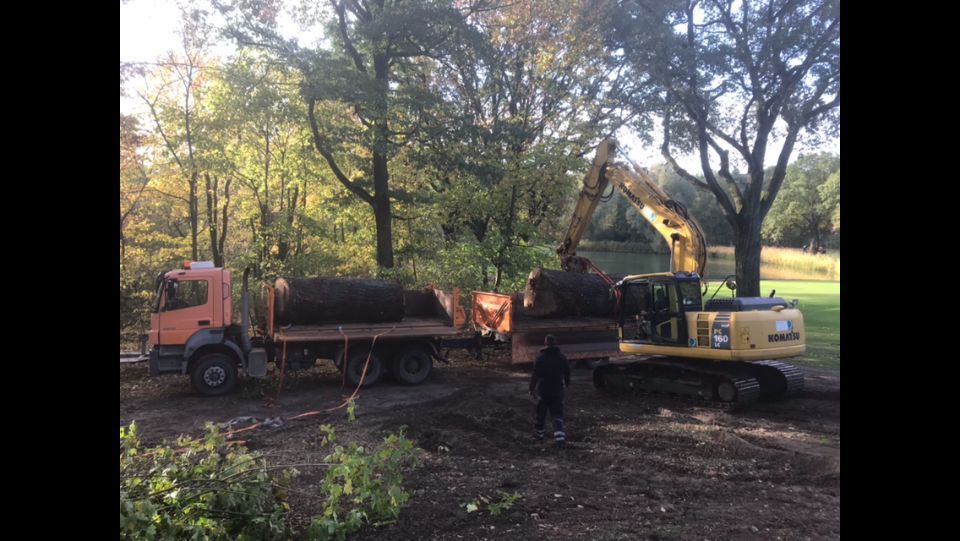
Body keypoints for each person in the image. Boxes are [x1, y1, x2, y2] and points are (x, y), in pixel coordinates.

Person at [529, 335, 571, 448]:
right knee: (557, 416)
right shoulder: (562, 357)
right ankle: (560, 441)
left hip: (543, 391)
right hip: (557, 391)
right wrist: (567, 384)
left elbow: (535, 375)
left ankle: (539, 437)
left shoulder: (540, 358)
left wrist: (531, 388)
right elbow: (567, 372)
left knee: (541, 415)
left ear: (545, 343)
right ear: (556, 343)